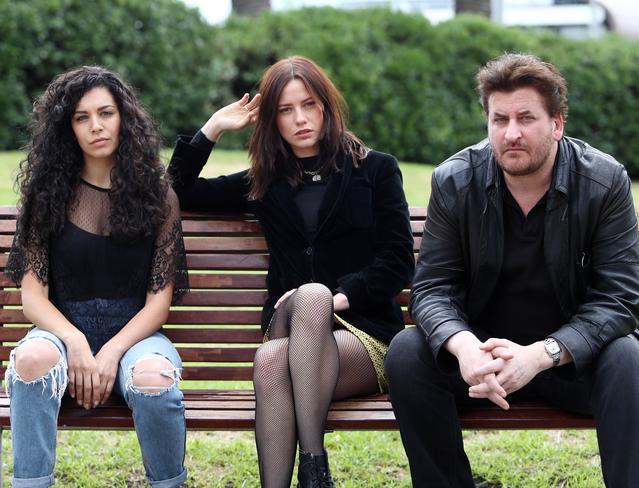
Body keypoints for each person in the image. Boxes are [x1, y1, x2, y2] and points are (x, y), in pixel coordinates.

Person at [384, 53, 639, 487]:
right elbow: (432, 288)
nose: (511, 133)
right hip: (481, 369)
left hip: (570, 365)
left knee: (625, 354)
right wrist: (464, 346)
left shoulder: (603, 181)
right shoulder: (455, 180)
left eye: (526, 118)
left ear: (557, 124)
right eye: (499, 119)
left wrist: (541, 354)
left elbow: (621, 300)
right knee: (407, 352)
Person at [167, 55, 414, 488]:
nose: (300, 118)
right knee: (306, 302)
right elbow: (175, 192)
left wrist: (338, 297)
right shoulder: (264, 181)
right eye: (285, 109)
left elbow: (397, 261)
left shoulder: (375, 169)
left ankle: (306, 473)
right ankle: (316, 467)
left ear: (327, 107)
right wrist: (212, 129)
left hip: (363, 333)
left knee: (271, 358)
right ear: (271, 119)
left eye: (309, 105)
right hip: (286, 325)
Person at [5, 66, 189, 488]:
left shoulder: (157, 196)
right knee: (31, 360)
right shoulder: (45, 194)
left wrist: (109, 353)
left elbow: (158, 304)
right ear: (66, 128)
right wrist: (73, 341)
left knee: (153, 379)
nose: (96, 126)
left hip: (135, 336)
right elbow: (33, 299)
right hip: (59, 331)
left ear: (123, 116)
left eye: (105, 113)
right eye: (81, 117)